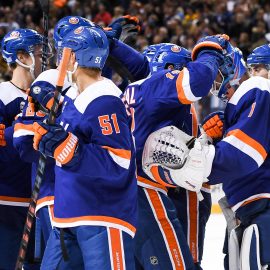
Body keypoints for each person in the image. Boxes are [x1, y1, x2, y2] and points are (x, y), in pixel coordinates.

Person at [32, 25, 137, 269]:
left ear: (74, 58)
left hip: (102, 215)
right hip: (68, 214)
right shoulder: (73, 95)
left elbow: (119, 160)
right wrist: (48, 136)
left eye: (62, 54)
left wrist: (69, 148)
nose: (59, 60)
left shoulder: (104, 100)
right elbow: (67, 138)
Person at [123, 41, 218, 270]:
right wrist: (210, 50)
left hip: (125, 192)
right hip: (152, 190)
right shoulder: (161, 87)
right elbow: (199, 80)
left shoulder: (131, 90)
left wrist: (205, 135)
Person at [178, 35, 270, 269]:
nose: (213, 78)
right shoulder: (248, 94)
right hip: (249, 206)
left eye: (260, 68)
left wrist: (191, 167)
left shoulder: (258, 87)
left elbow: (243, 154)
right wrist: (225, 129)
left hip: (261, 204)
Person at [0, 28, 43, 269]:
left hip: (40, 199)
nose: (43, 58)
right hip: (7, 200)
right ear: (21, 57)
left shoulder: (47, 94)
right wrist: (21, 125)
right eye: (37, 52)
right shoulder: (3, 94)